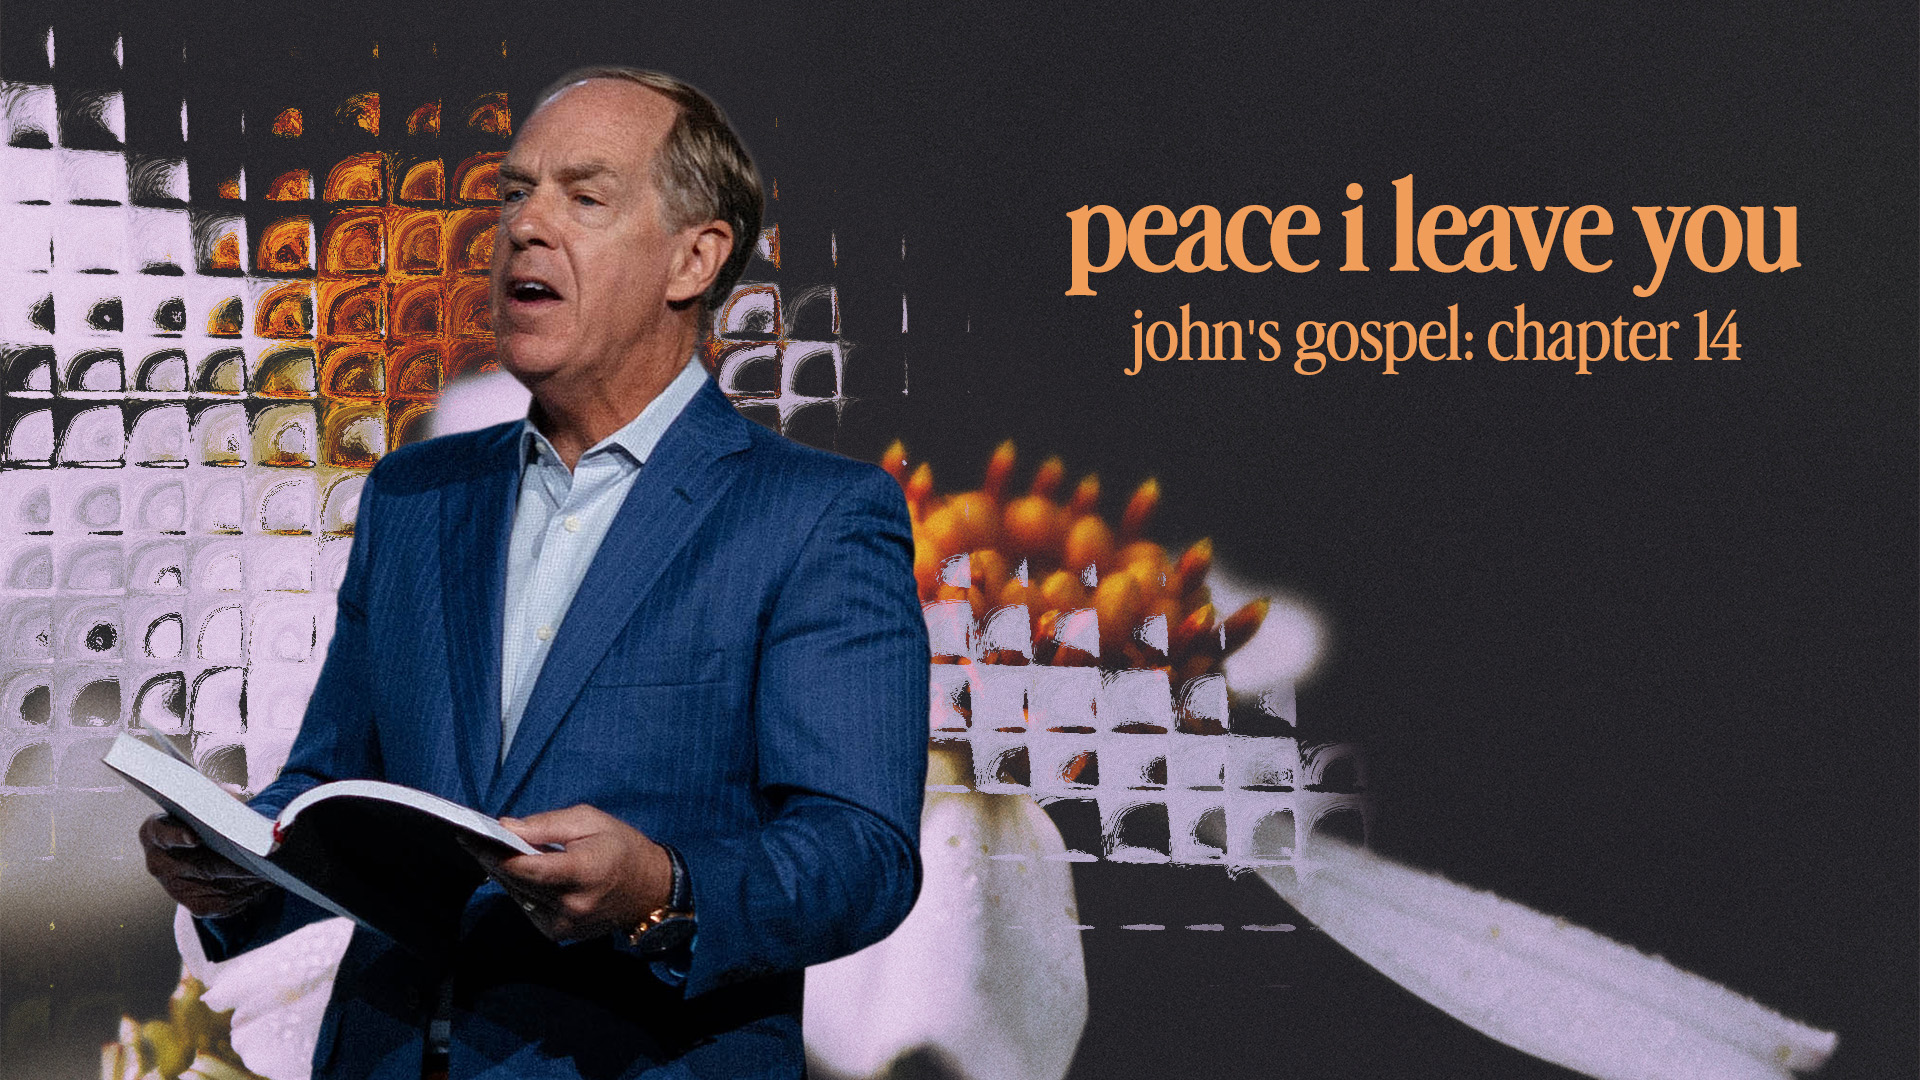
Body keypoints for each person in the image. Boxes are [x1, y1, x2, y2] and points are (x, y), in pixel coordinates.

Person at [138, 67, 930, 1080]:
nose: (523, 225)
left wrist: (666, 888)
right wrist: (242, 865)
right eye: (515, 192)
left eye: (584, 197)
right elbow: (332, 784)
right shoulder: (415, 495)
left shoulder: (814, 516)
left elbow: (862, 854)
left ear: (694, 258)